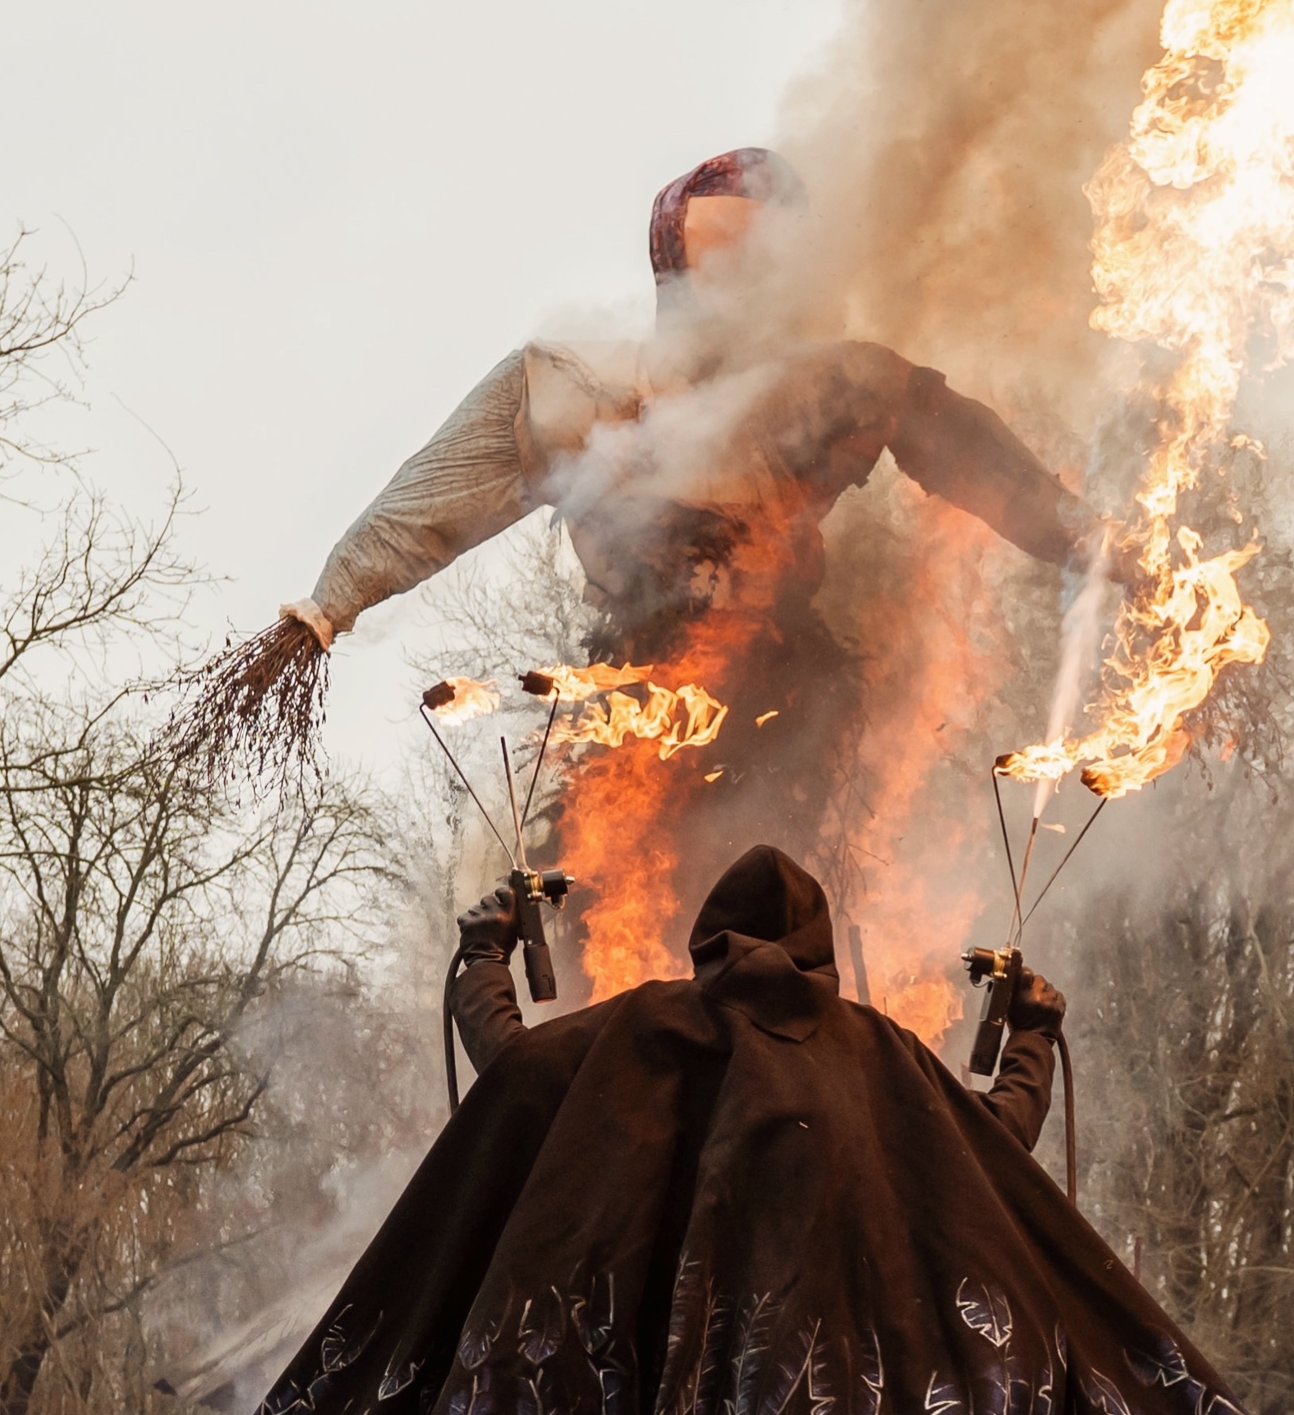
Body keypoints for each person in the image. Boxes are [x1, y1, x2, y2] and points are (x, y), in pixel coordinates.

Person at [254, 148, 1099, 987]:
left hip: (787, 710)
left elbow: (971, 453)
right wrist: (328, 607)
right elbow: (429, 503)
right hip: (633, 710)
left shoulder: (830, 383)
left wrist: (1082, 539)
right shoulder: (580, 385)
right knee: (614, 928)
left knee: (775, 937)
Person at [258, 846, 1240, 1415]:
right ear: (818, 952)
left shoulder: (631, 1036)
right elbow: (987, 1149)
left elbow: (514, 1066)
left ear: (704, 940)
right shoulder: (876, 1059)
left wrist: (482, 951)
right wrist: (1028, 1033)